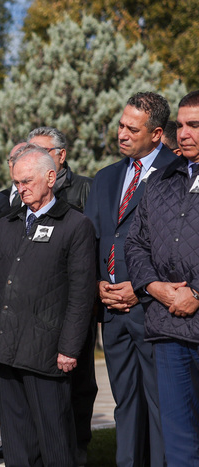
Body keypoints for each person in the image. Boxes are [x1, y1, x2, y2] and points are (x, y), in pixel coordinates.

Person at [0, 144, 96, 466]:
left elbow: (81, 294)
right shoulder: (8, 223)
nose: (21, 188)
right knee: (16, 441)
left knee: (55, 438)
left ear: (51, 177)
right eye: (16, 183)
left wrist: (70, 348)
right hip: (5, 345)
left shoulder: (75, 225)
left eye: (27, 181)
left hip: (47, 350)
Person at [86, 91, 176, 467]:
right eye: (121, 125)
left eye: (132, 128)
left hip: (153, 311)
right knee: (125, 403)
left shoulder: (177, 172)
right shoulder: (106, 177)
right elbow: (89, 238)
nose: (121, 133)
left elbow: (178, 247)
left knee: (160, 405)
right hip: (112, 312)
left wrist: (141, 290)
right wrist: (96, 283)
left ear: (156, 134)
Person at [125, 90, 199, 466]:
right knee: (178, 439)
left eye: (195, 125)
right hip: (167, 325)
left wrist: (196, 292)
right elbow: (135, 244)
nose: (184, 133)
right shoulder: (158, 182)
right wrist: (155, 287)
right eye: (181, 126)